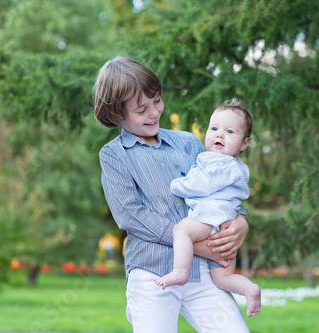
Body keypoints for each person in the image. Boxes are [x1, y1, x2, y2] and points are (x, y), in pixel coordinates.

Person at [94, 56, 251, 333]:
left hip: (202, 272)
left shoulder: (188, 143)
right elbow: (131, 215)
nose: (154, 112)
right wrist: (196, 244)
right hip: (152, 272)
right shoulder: (114, 155)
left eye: (157, 100)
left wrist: (240, 221)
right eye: (141, 109)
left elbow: (221, 186)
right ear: (116, 115)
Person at [154, 98, 261, 318]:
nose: (219, 134)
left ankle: (180, 271)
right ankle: (249, 289)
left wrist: (176, 185)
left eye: (230, 131)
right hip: (224, 224)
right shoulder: (227, 164)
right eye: (214, 128)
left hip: (210, 217)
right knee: (222, 279)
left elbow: (201, 186)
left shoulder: (224, 164)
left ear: (244, 143)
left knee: (181, 230)